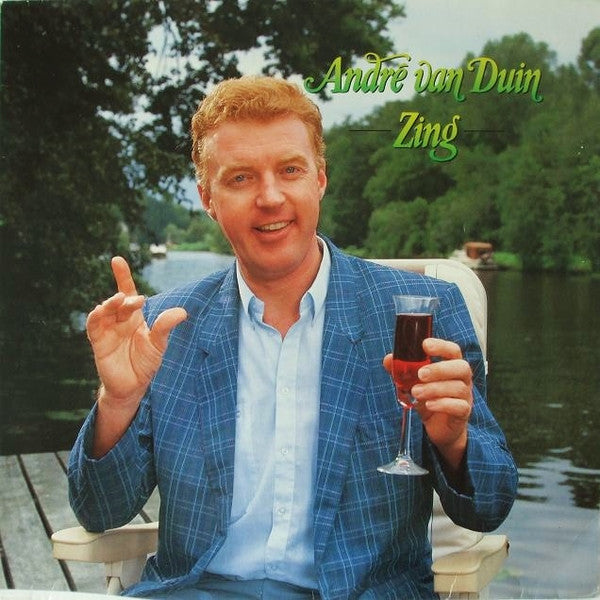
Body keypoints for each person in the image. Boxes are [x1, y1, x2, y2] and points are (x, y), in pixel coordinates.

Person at [68, 76, 518, 599]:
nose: (270, 197)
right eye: (240, 178)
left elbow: (487, 507)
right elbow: (98, 510)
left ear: (319, 179)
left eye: (290, 170)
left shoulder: (422, 313)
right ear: (208, 198)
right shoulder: (165, 327)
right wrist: (118, 403)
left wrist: (453, 442)